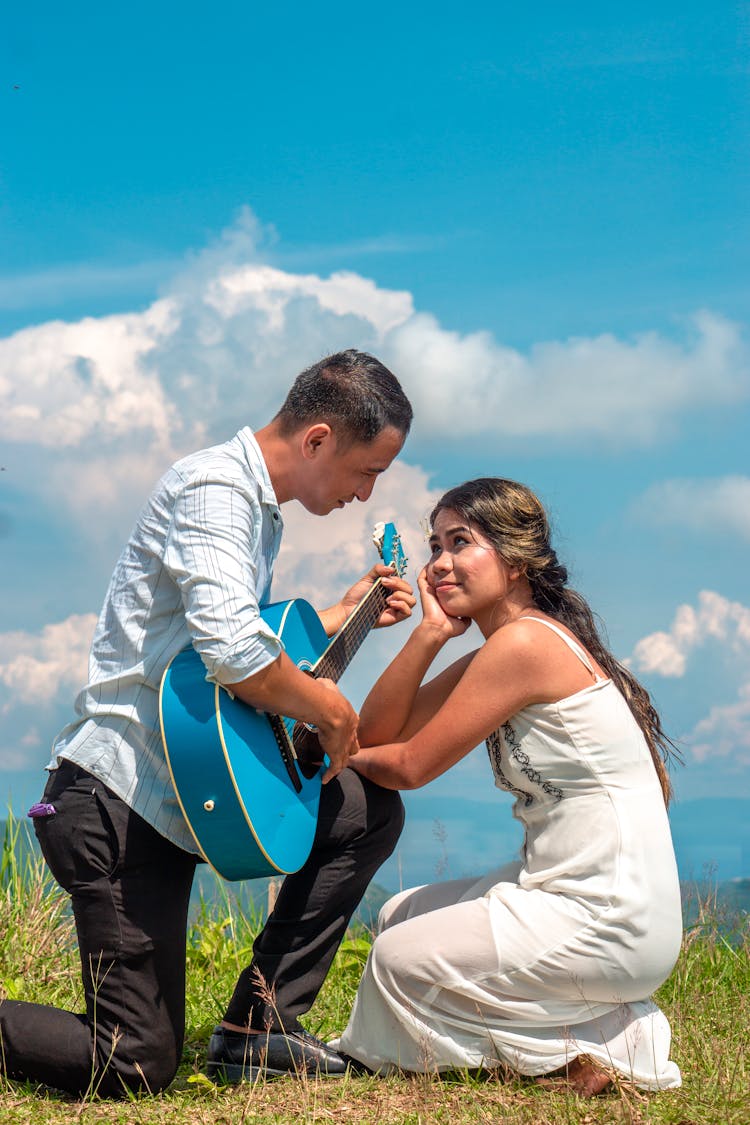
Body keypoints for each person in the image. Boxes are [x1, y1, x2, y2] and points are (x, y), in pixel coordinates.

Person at [0, 350, 416, 1097]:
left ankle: (258, 1028)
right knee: (130, 1063)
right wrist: (332, 710)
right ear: (319, 438)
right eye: (368, 469)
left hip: (178, 796)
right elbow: (232, 655)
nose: (366, 493)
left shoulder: (254, 515)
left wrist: (342, 615)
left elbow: (229, 646)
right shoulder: (215, 488)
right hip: (116, 805)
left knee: (361, 810)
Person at [337, 477, 683, 1096]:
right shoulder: (508, 643)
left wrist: (342, 761)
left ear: (518, 557)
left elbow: (410, 764)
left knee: (396, 961)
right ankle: (599, 1034)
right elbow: (378, 729)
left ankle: (570, 1051)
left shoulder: (526, 644)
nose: (438, 564)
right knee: (396, 918)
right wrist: (431, 634)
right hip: (570, 895)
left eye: (460, 542)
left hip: (608, 914)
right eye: (434, 545)